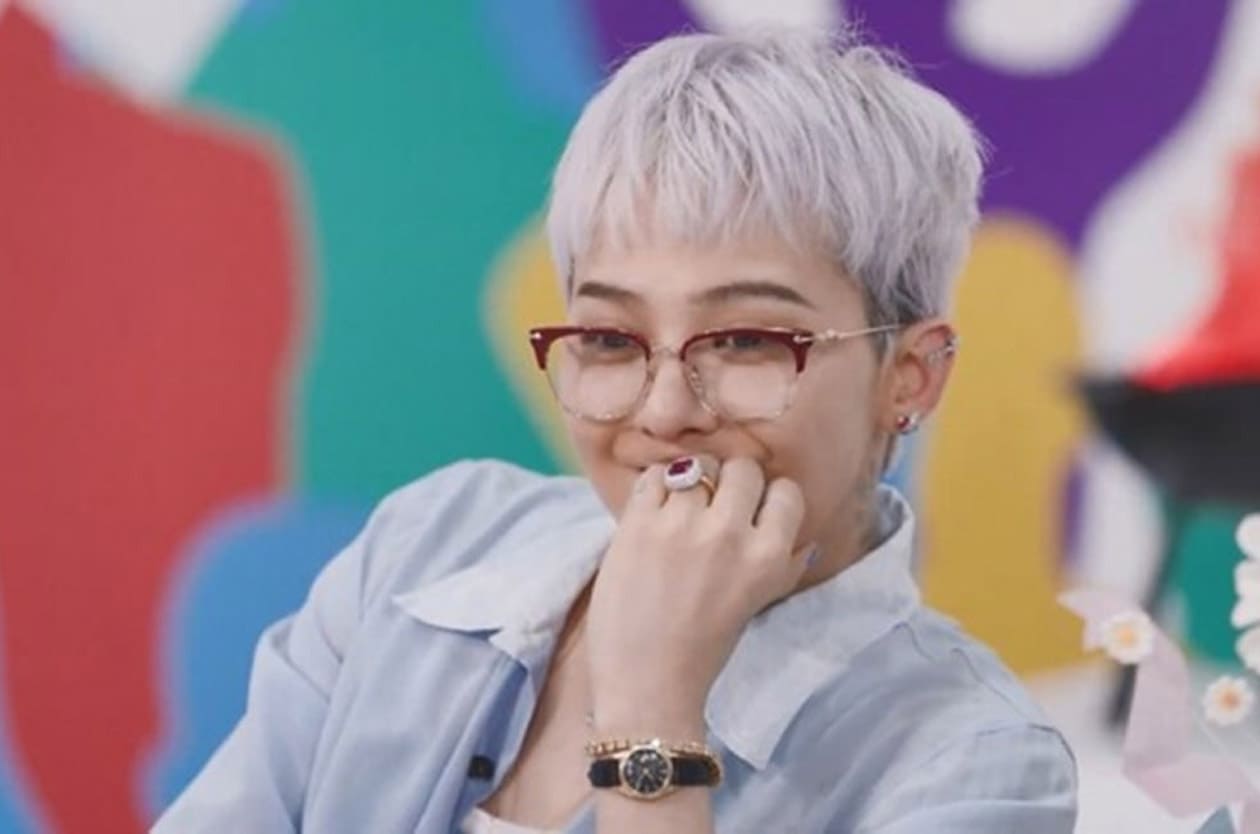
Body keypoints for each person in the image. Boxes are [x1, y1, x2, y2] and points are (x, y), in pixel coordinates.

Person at [154, 25, 1077, 834]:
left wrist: (651, 714)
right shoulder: (427, 543)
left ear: (910, 376)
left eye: (746, 340)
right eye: (609, 338)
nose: (664, 410)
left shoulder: (974, 761)